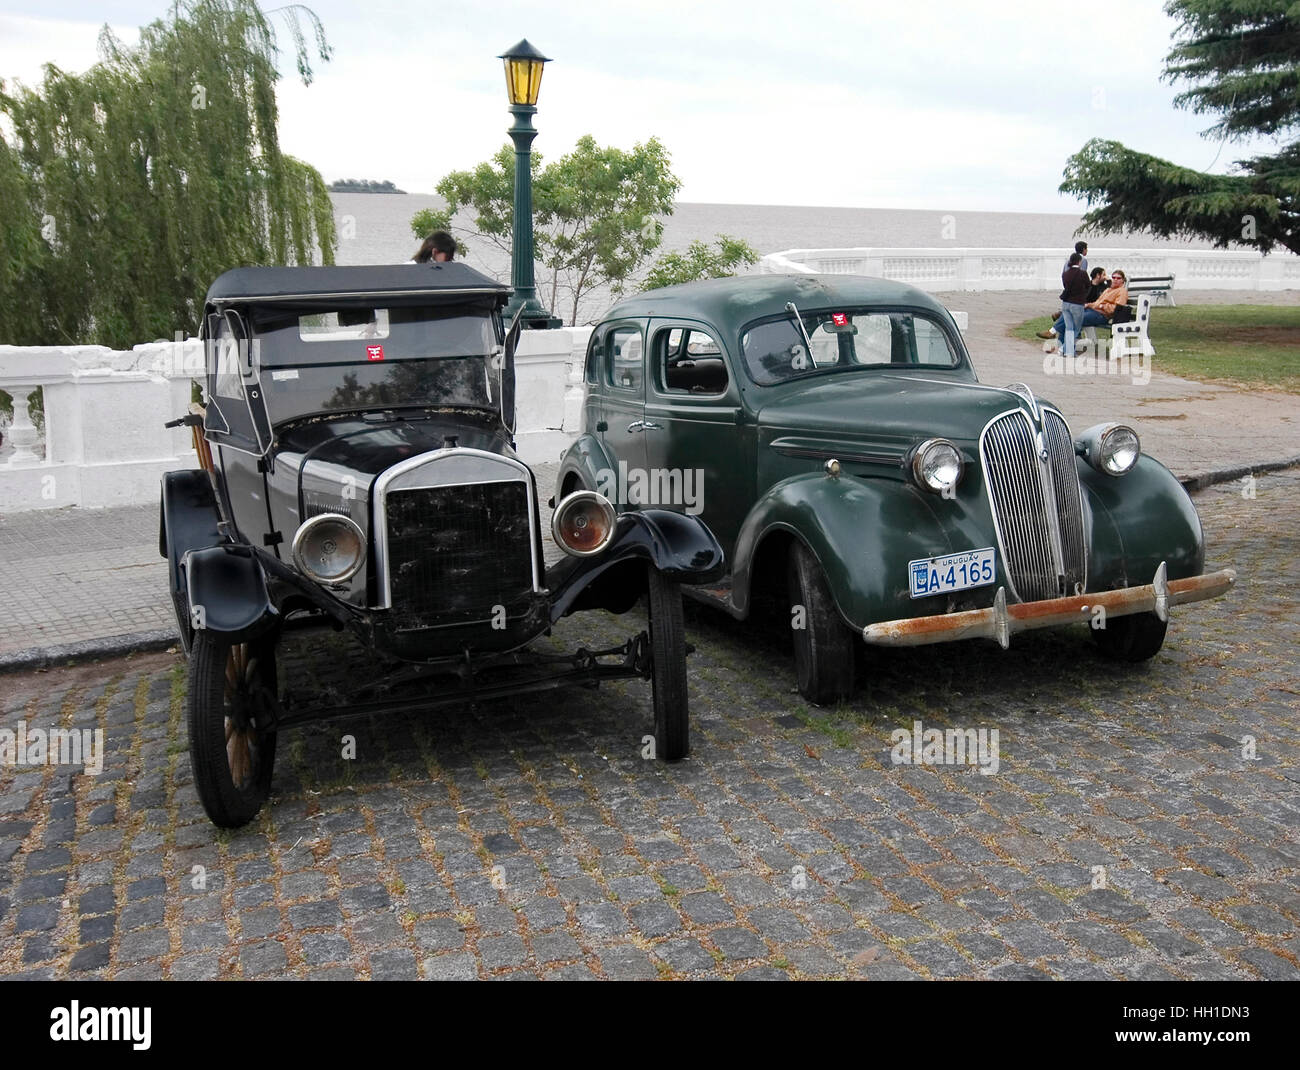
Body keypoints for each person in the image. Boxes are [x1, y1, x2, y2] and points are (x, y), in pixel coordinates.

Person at [1038, 267, 1108, 339]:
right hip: (1083, 307)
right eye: (1104, 274)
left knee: (1070, 316)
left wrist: (1109, 280)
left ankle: (1053, 331)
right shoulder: (1087, 285)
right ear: (1098, 275)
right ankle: (1057, 336)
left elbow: (1111, 290)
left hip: (1093, 310)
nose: (1106, 276)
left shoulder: (1104, 287)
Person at [1057, 252, 1090, 358]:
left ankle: (1067, 351)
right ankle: (1066, 349)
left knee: (1069, 327)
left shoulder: (1065, 274)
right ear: (1079, 261)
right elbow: (1087, 286)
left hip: (1066, 303)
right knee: (1076, 328)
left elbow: (1065, 285)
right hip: (1077, 303)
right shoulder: (1082, 274)